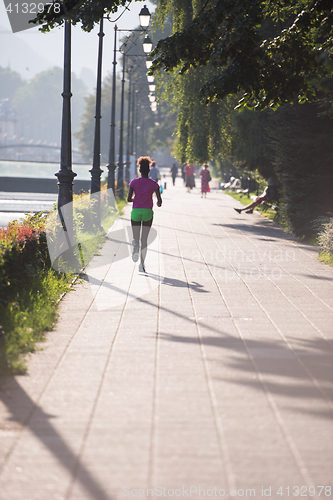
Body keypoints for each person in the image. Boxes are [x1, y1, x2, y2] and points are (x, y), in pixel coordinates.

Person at [127, 156, 162, 273]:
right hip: (147, 212)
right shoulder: (154, 184)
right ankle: (142, 265)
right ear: (149, 170)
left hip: (136, 212)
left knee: (136, 237)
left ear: (140, 170)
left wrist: (135, 199)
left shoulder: (134, 182)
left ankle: (135, 244)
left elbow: (128, 199)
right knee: (145, 239)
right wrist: (157, 202)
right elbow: (160, 202)